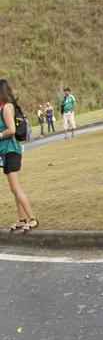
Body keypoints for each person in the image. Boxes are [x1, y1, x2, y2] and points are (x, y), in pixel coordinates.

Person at [0, 80, 37, 232]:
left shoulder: (7, 107)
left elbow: (12, 130)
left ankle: (32, 218)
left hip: (12, 150)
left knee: (16, 188)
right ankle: (22, 219)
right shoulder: (2, 107)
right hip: (5, 152)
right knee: (13, 189)